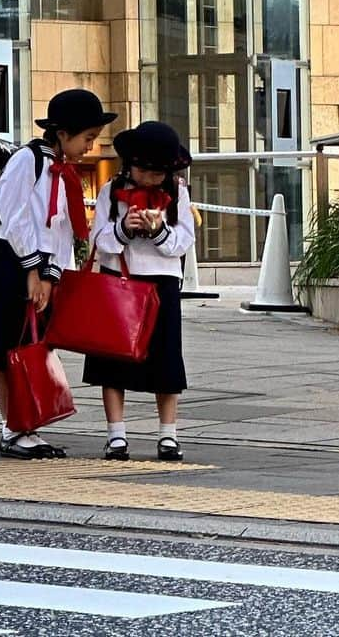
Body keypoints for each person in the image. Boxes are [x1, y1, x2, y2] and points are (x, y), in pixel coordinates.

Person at [0, 88, 117, 459]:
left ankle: (25, 426)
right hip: (8, 261)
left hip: (38, 266)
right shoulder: (28, 161)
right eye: (87, 138)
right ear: (63, 133)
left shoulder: (63, 172)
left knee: (31, 344)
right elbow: (14, 216)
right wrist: (33, 270)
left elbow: (60, 231)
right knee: (6, 349)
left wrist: (51, 276)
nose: (90, 147)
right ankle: (14, 429)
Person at [83, 121, 195, 462]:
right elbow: (98, 242)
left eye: (159, 172)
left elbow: (184, 242)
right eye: (145, 170)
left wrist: (160, 231)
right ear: (130, 165)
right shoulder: (110, 192)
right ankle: (116, 435)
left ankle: (168, 435)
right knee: (112, 359)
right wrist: (123, 229)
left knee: (166, 361)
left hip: (161, 284)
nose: (151, 178)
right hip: (118, 281)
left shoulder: (177, 193)